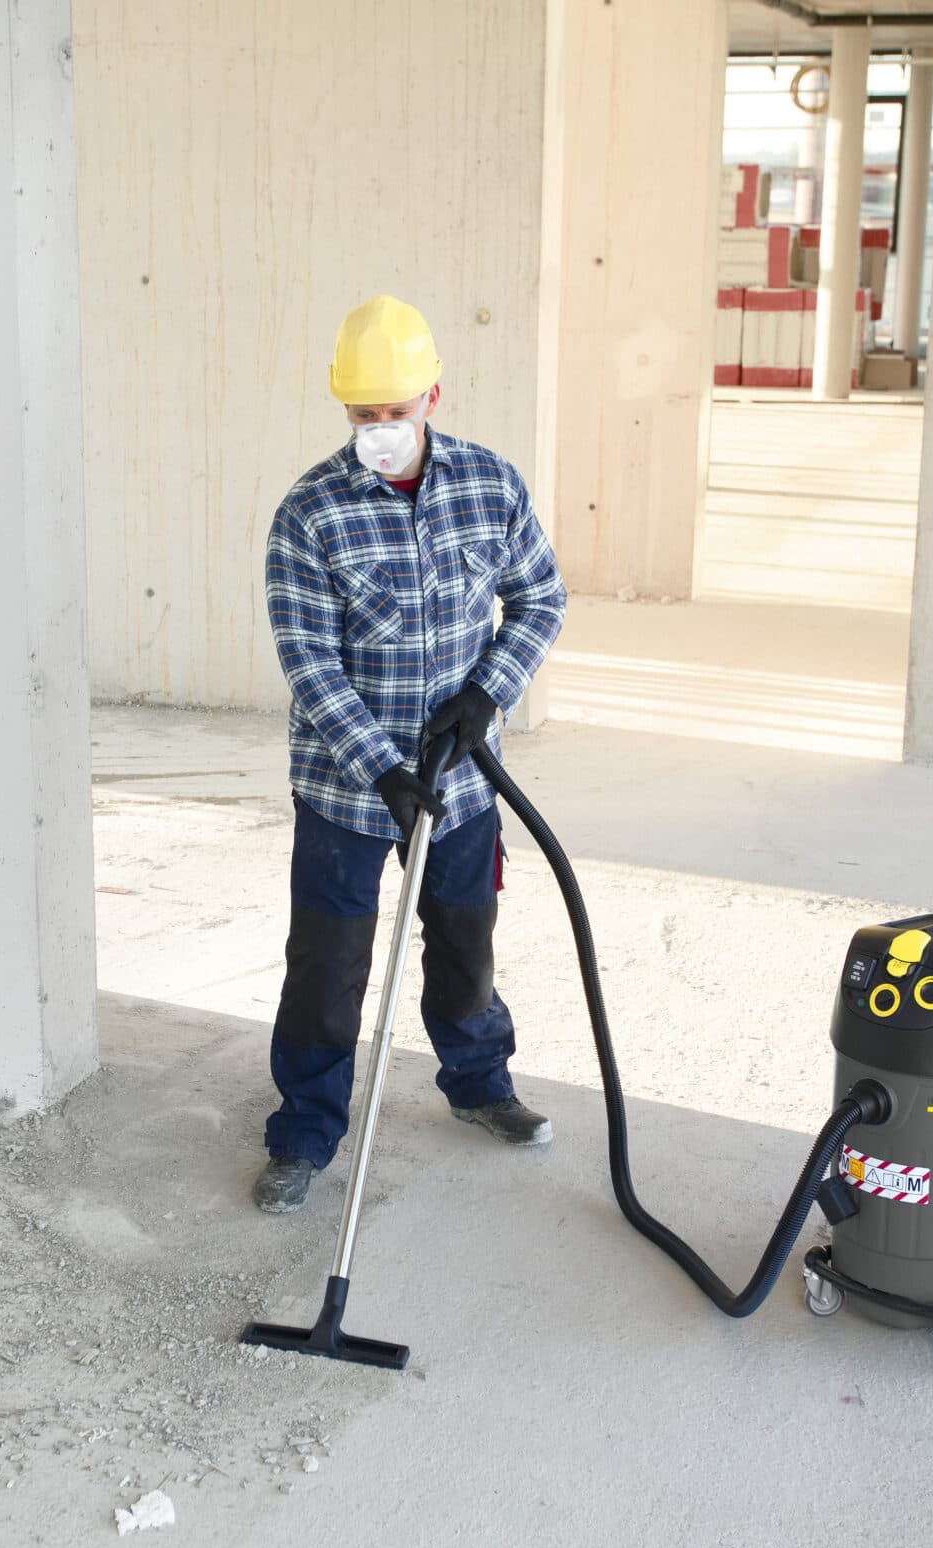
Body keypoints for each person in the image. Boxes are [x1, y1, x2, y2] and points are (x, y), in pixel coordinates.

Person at [253, 295, 570, 1214]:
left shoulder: (491, 485)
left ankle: (479, 1086)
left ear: (433, 392)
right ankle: (305, 1133)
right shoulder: (309, 514)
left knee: (465, 941)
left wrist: (486, 694)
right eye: (363, 413)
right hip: (346, 791)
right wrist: (381, 769)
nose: (381, 429)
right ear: (340, 404)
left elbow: (540, 599)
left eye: (396, 410)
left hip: (464, 783)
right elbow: (305, 657)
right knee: (329, 964)